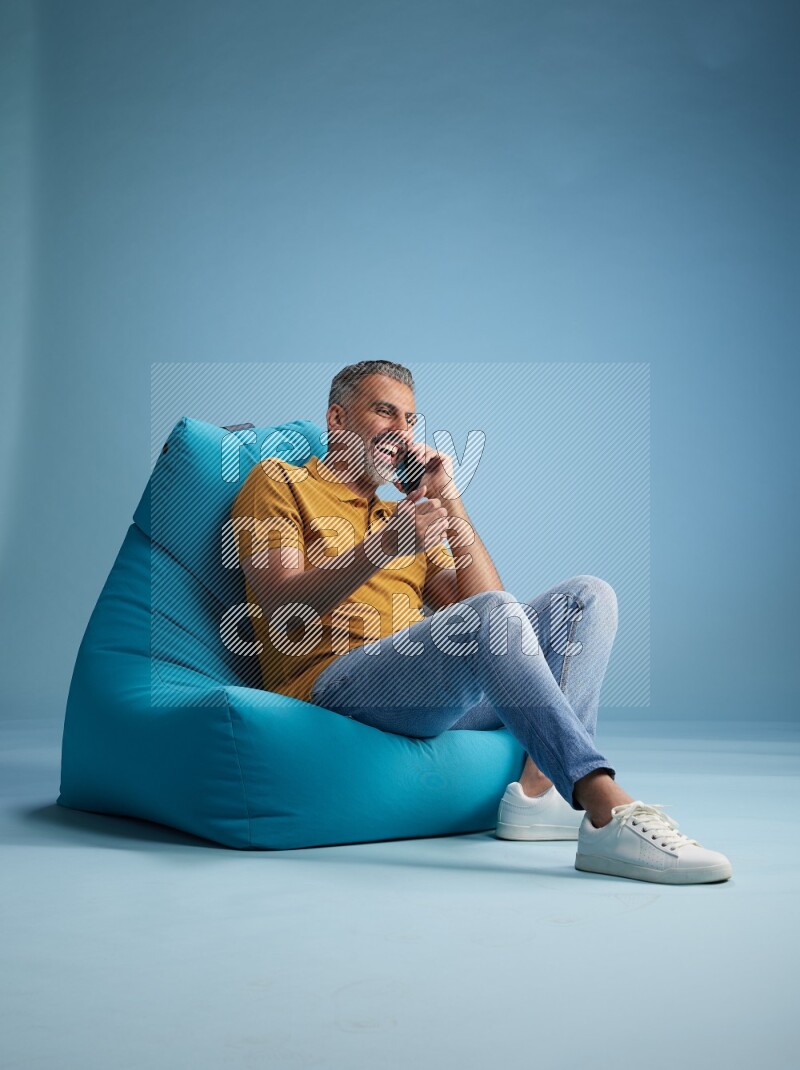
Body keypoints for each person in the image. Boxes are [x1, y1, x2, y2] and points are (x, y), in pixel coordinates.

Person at [230, 360, 732, 885]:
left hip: (418, 690)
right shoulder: (280, 481)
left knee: (587, 598)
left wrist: (448, 498)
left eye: (410, 420)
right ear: (337, 419)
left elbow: (485, 603)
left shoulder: (403, 513)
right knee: (491, 617)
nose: (401, 432)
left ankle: (539, 793)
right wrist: (380, 552)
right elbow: (279, 600)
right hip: (333, 686)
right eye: (385, 412)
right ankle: (602, 802)